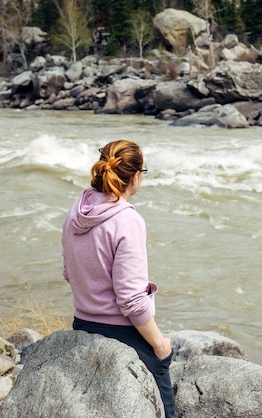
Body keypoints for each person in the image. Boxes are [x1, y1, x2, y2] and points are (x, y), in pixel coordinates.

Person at [61, 140, 178, 418]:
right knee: (163, 363)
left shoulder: (77, 212)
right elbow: (132, 300)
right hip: (121, 333)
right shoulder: (127, 220)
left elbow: (69, 272)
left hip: (82, 323)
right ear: (136, 177)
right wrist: (159, 345)